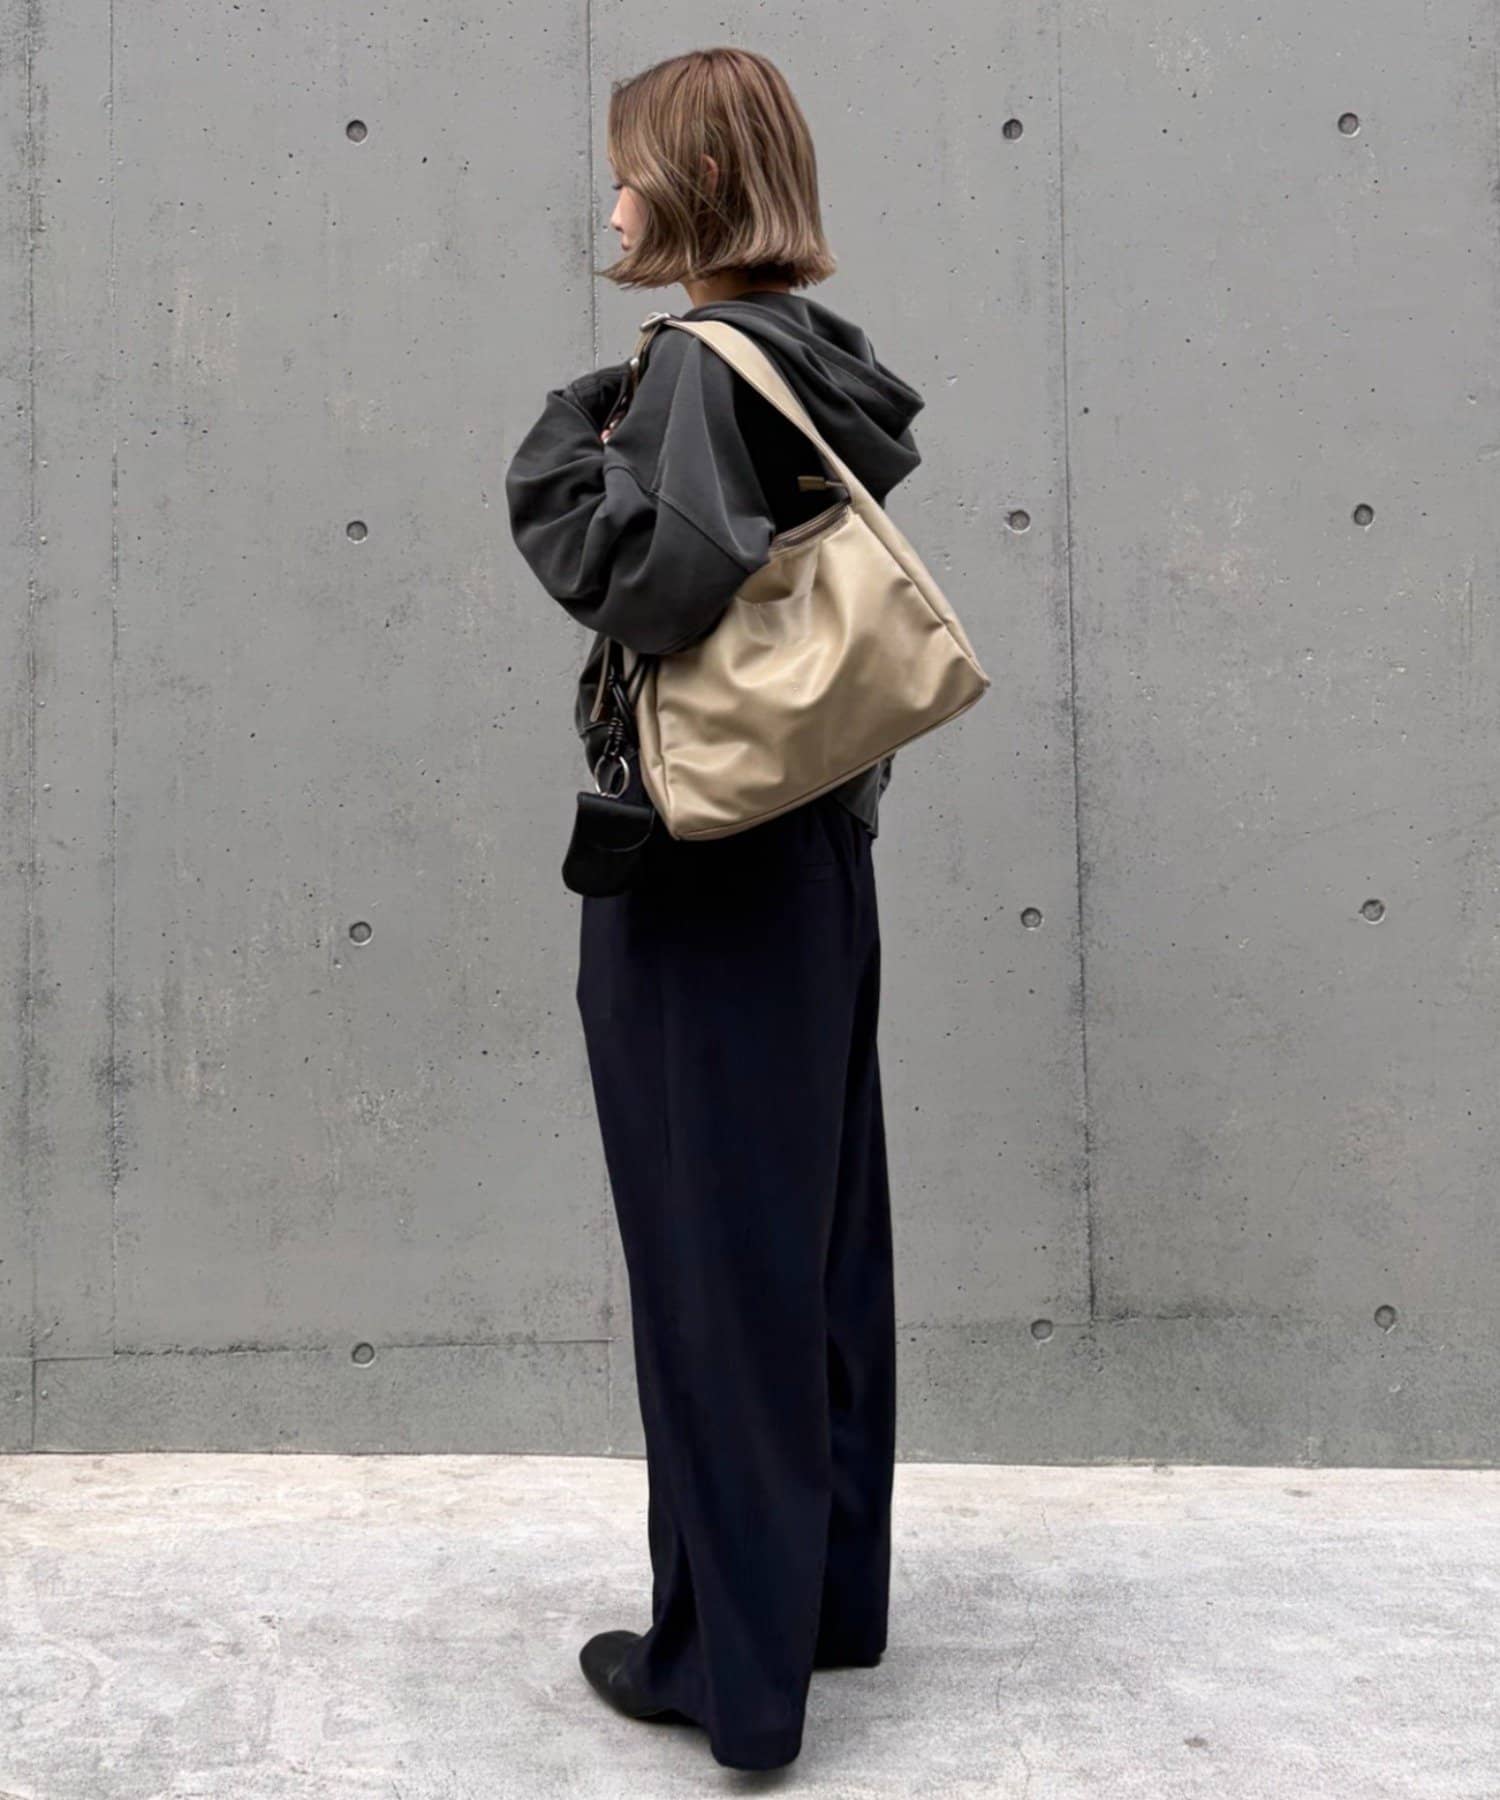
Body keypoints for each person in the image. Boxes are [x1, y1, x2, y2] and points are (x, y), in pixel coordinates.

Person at [503, 45, 926, 1773]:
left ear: (684, 186)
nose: (609, 202)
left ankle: (726, 1675)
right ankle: (821, 1603)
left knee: (708, 1262)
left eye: (627, 170)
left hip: (701, 860)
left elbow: (654, 581)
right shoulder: (818, 353)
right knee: (812, 1242)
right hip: (813, 841)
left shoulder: (693, 362)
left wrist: (561, 444)